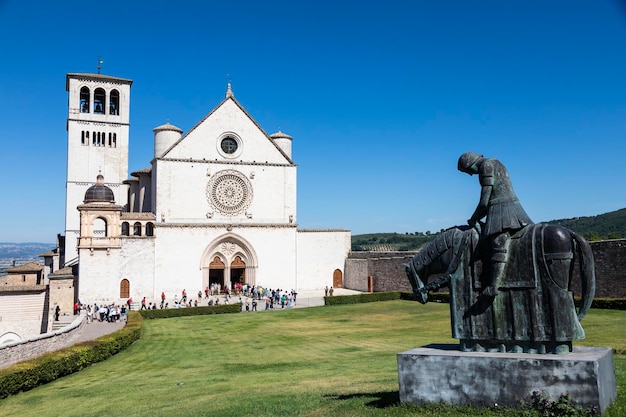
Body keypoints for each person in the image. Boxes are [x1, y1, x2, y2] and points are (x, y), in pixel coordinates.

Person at [458, 152, 534, 296]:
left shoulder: (486, 166)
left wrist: (474, 218)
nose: (470, 175)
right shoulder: (494, 162)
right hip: (504, 206)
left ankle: (493, 286)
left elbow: (484, 201)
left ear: (470, 164)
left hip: (503, 209)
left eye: (468, 171)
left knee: (498, 242)